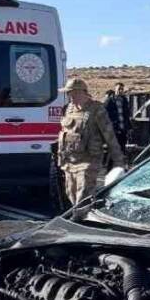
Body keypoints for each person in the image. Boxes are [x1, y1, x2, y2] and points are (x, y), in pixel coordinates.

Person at [56, 78, 127, 208]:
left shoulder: (96, 109)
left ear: (81, 92)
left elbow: (109, 135)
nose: (69, 96)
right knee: (71, 193)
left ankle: (82, 217)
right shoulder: (68, 109)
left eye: (71, 92)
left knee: (83, 196)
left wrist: (119, 161)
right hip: (70, 161)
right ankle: (79, 214)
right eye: (68, 93)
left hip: (89, 161)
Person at [103, 83, 132, 150]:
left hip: (123, 129)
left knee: (122, 147)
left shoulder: (124, 100)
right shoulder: (110, 101)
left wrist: (129, 127)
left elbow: (126, 115)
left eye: (122, 89)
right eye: (119, 89)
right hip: (114, 129)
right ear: (115, 89)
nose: (120, 91)